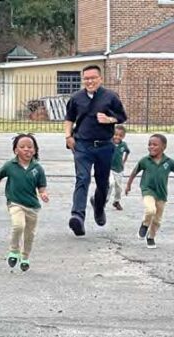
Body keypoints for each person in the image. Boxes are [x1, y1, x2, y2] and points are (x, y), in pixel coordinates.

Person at [65, 65, 127, 236]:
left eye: (93, 78)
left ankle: (98, 207)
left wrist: (109, 119)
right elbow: (69, 118)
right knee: (82, 178)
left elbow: (122, 117)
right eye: (86, 78)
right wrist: (68, 136)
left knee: (103, 184)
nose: (89, 81)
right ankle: (77, 216)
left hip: (104, 146)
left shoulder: (111, 97)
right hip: (82, 145)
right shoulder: (76, 98)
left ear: (100, 79)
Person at [0, 134, 49, 272]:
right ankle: (14, 251)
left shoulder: (37, 168)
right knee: (18, 225)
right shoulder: (10, 165)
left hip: (32, 206)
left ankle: (25, 256)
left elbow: (41, 186)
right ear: (16, 150)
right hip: (15, 203)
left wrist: (43, 193)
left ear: (35, 150)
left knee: (29, 234)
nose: (27, 149)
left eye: (30, 147)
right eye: (22, 147)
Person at [125, 134, 174, 249]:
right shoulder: (145, 161)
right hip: (148, 190)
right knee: (150, 209)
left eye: (155, 145)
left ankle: (151, 237)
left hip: (161, 194)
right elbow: (134, 172)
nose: (151, 147)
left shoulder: (169, 162)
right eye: (149, 144)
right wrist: (128, 185)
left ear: (163, 147)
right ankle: (145, 224)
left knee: (157, 220)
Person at [107, 125, 130, 210]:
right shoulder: (109, 143)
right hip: (109, 168)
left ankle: (116, 201)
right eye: (115, 134)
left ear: (123, 136)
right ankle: (104, 200)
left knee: (119, 188)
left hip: (119, 169)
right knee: (110, 183)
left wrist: (124, 161)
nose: (117, 137)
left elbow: (127, 152)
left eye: (120, 135)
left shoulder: (123, 145)